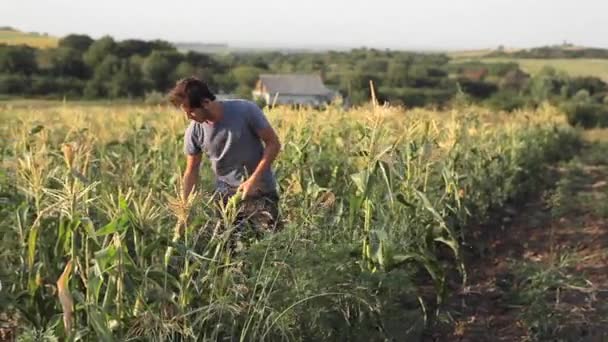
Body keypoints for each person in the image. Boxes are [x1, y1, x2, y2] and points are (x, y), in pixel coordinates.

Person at [168, 76, 282, 233]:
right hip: (225, 200)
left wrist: (253, 179)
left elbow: (273, 144)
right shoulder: (194, 131)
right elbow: (191, 170)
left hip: (260, 193)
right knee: (230, 249)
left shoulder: (246, 110)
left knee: (268, 247)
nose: (188, 117)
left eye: (191, 111)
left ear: (206, 103)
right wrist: (184, 209)